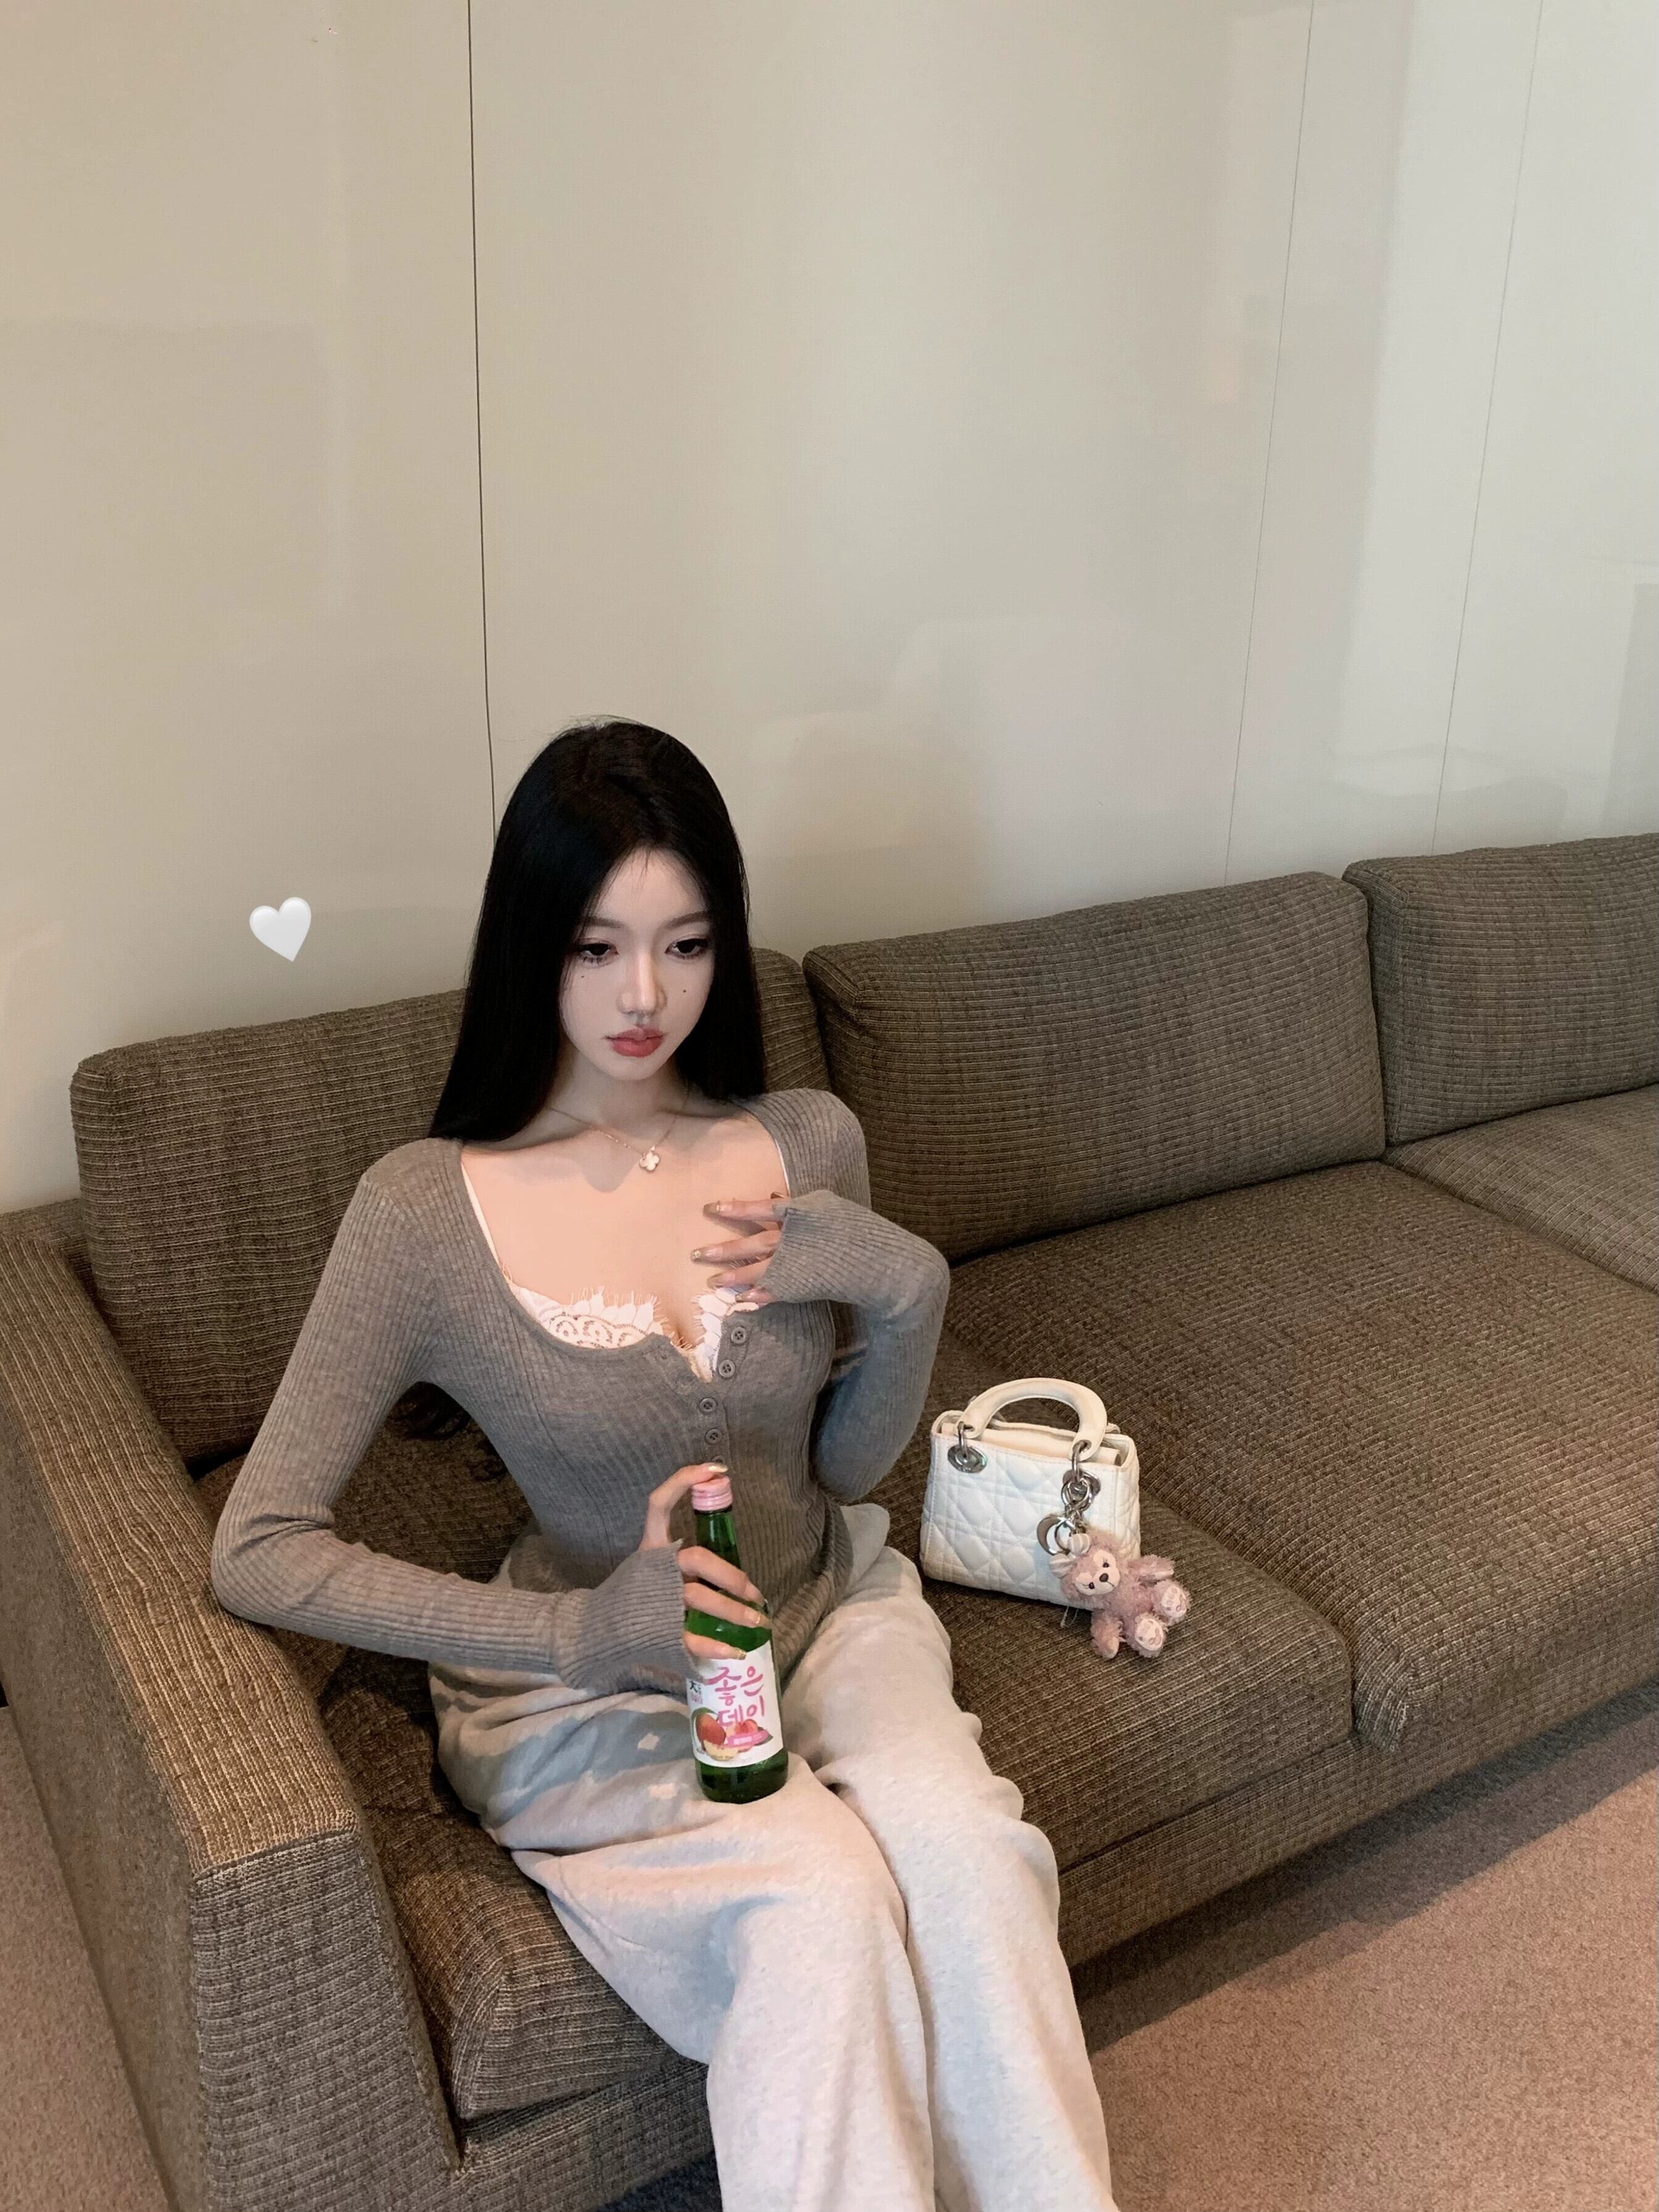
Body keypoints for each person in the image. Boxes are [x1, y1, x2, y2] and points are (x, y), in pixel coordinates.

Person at [210, 718, 1120, 2212]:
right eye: (596, 946)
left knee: (968, 1856)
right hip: (594, 1676)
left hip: (826, 1606)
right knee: (817, 1900)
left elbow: (844, 1467)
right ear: (530, 946)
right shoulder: (422, 1210)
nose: (644, 995)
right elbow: (257, 1544)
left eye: (686, 943)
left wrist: (908, 1291)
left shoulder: (807, 1139)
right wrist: (580, 1629)